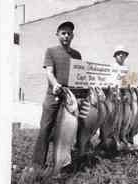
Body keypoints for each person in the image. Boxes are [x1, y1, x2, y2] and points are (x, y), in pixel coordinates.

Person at [32, 21, 90, 173]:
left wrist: (84, 93)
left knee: (71, 130)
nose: (66, 36)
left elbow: (80, 77)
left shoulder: (77, 55)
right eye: (63, 33)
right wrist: (55, 84)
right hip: (54, 95)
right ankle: (38, 164)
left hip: (71, 98)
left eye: (69, 33)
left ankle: (68, 162)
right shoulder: (50, 51)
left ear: (73, 36)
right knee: (45, 128)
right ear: (57, 35)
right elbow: (49, 72)